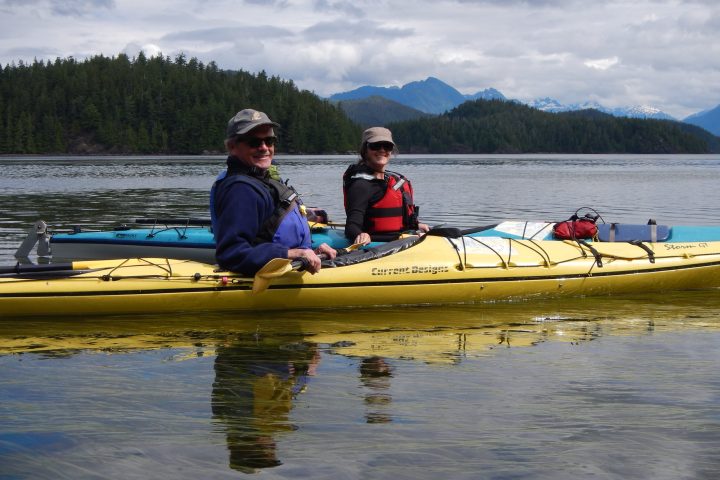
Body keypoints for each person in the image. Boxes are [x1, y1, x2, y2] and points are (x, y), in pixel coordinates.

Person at [211, 108, 336, 275]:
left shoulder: (261, 181)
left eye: (269, 141)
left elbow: (265, 236)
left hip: (289, 268)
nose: (264, 148)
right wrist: (293, 254)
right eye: (254, 142)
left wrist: (312, 250)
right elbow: (231, 255)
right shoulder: (241, 190)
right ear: (233, 147)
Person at [343, 127, 429, 245]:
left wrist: (416, 226)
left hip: (403, 239)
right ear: (365, 150)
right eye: (376, 146)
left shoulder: (393, 181)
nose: (382, 150)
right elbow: (351, 227)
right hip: (377, 245)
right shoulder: (361, 186)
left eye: (387, 146)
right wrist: (360, 235)